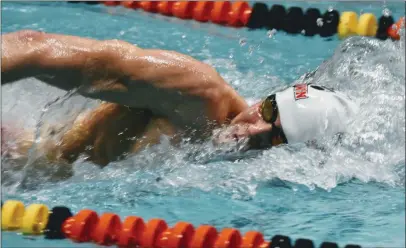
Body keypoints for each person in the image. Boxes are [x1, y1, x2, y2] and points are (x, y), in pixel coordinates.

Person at [1, 30, 358, 180]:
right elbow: (36, 47)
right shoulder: (196, 94)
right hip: (17, 157)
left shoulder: (236, 174)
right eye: (267, 112)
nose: (254, 130)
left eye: (277, 138)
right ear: (266, 98)